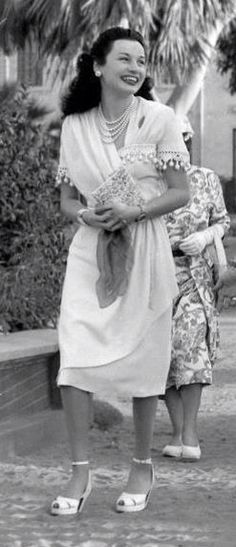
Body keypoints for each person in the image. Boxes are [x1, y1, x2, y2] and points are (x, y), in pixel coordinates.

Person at [51, 27, 190, 516]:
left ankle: (141, 464)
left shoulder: (160, 119)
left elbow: (181, 192)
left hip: (144, 245)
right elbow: (68, 199)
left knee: (145, 361)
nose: (135, 67)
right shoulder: (74, 125)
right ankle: (80, 471)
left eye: (142, 59)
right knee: (74, 354)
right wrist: (84, 215)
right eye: (125, 58)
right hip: (91, 249)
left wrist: (135, 212)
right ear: (98, 66)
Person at [162, 124, 230, 461]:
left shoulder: (206, 178)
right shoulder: (146, 181)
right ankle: (177, 433)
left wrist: (205, 238)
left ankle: (190, 433)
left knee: (190, 351)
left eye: (182, 139)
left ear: (188, 140)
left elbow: (222, 221)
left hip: (195, 276)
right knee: (161, 358)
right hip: (156, 277)